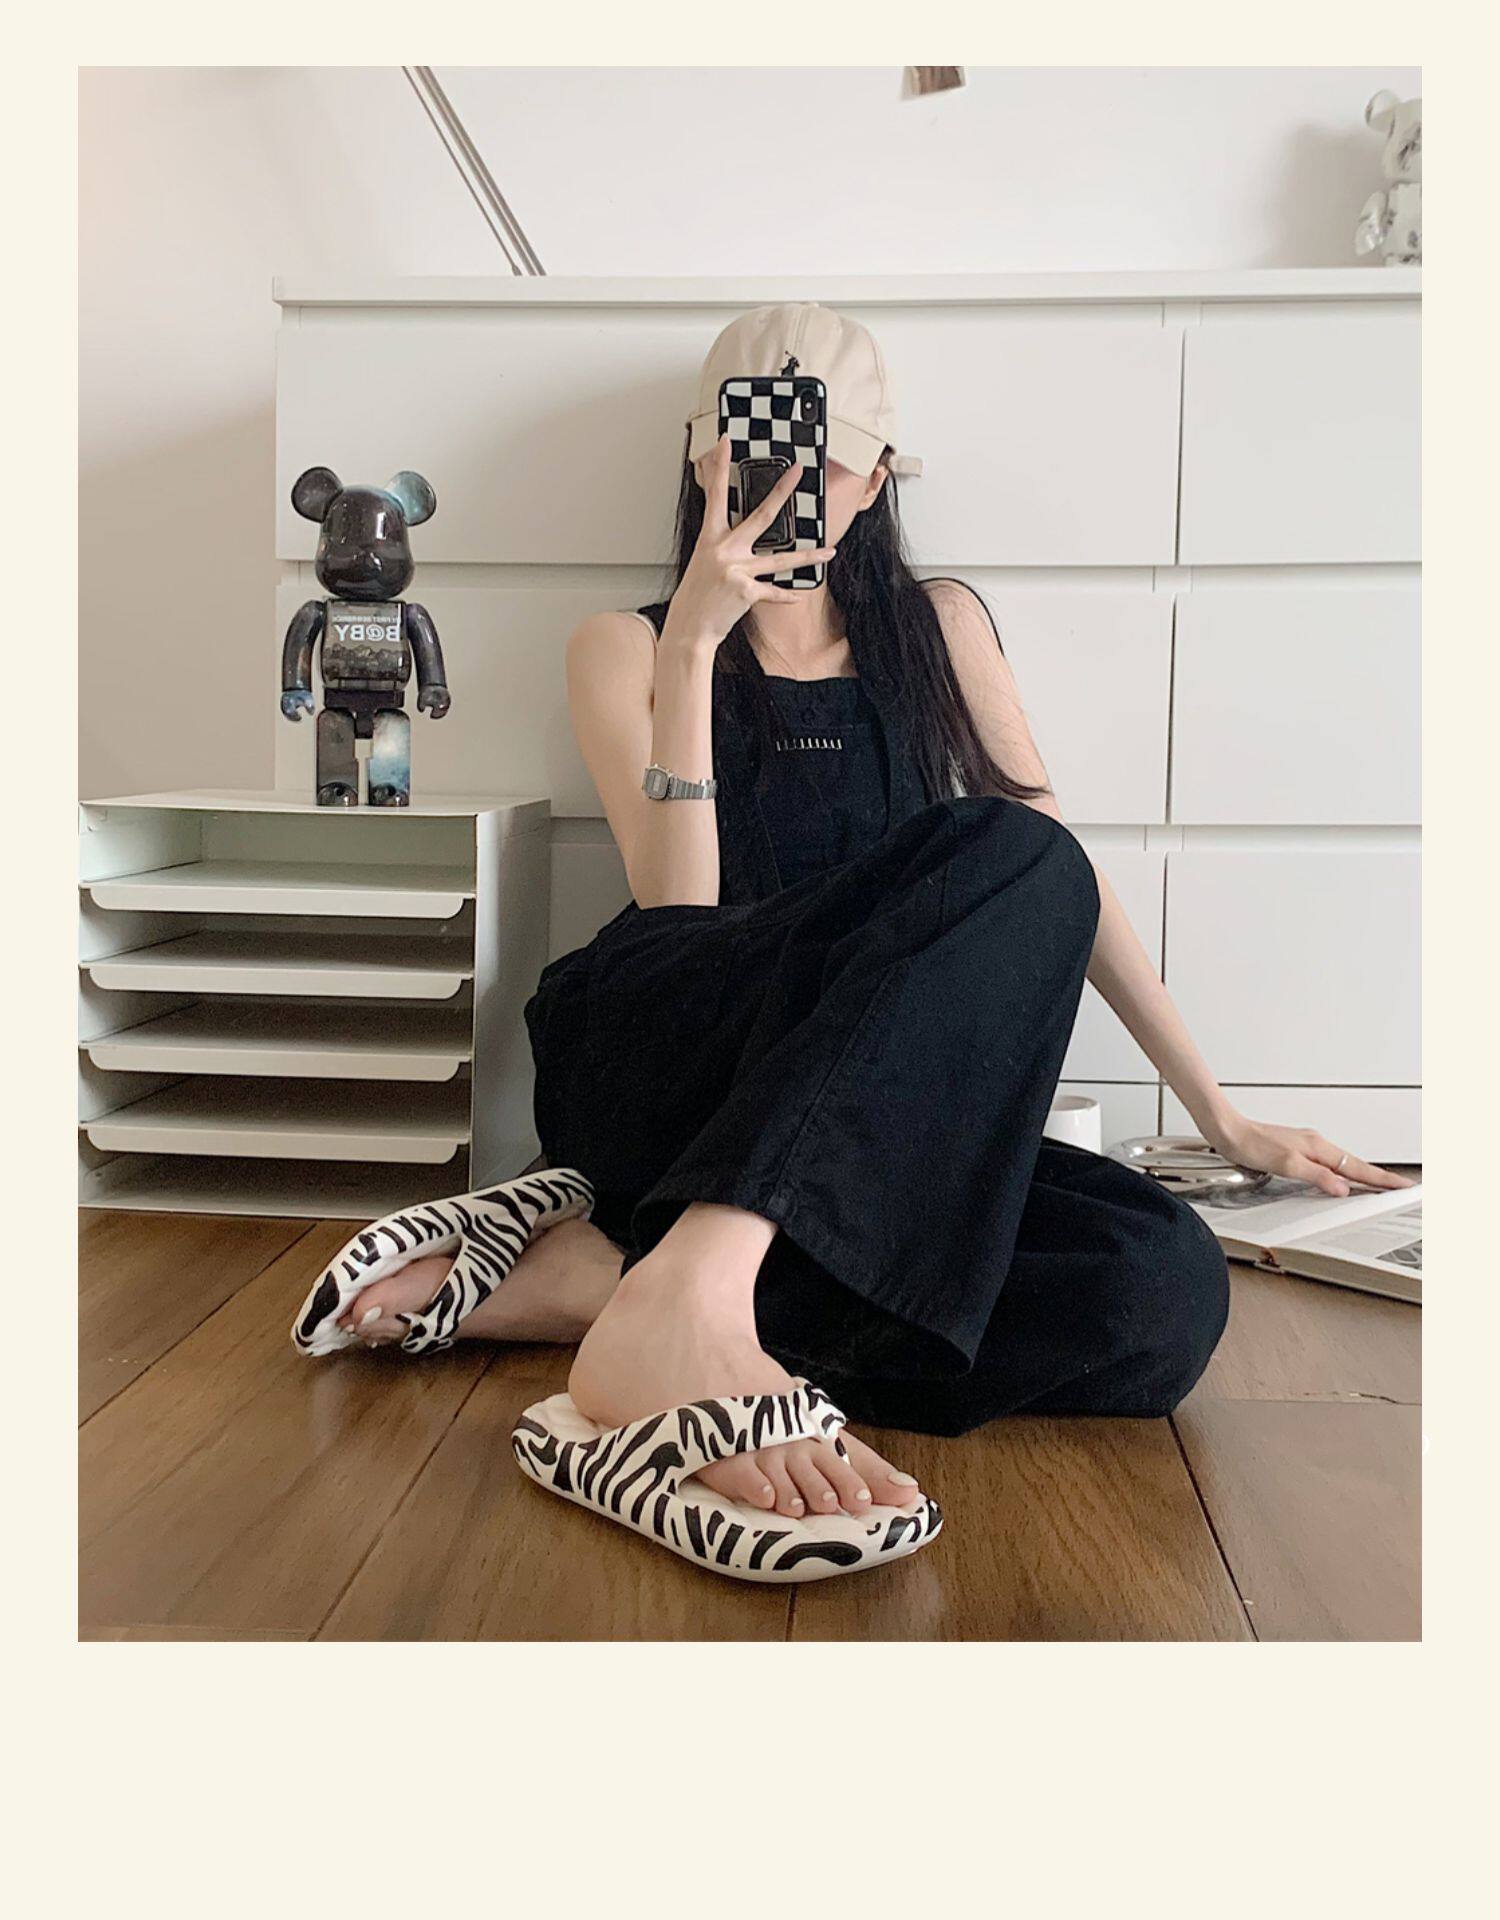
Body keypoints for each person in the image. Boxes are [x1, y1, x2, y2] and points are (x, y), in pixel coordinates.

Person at [296, 302, 1413, 1526]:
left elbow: (1062, 885)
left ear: (877, 480)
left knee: (1160, 1288)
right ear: (702, 460)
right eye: (756, 454)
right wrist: (697, 640)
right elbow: (679, 910)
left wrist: (1219, 1114)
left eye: (823, 462)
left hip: (857, 1126)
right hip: (669, 1053)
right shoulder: (623, 643)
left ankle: (616, 1278)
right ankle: (690, 1293)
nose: (789, 486)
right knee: (1007, 850)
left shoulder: (940, 628)